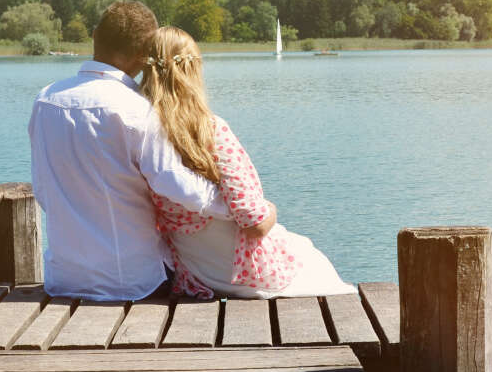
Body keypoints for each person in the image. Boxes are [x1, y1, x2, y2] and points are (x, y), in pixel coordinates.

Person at [27, 1, 258, 300]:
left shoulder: (45, 100)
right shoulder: (139, 110)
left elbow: (43, 191)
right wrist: (244, 212)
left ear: (95, 36)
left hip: (63, 279)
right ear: (143, 55)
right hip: (135, 283)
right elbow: (178, 186)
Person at [140, 25, 354, 299]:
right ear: (192, 71)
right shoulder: (211, 132)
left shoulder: (140, 135)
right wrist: (272, 210)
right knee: (313, 259)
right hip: (241, 272)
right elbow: (254, 223)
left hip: (197, 271)